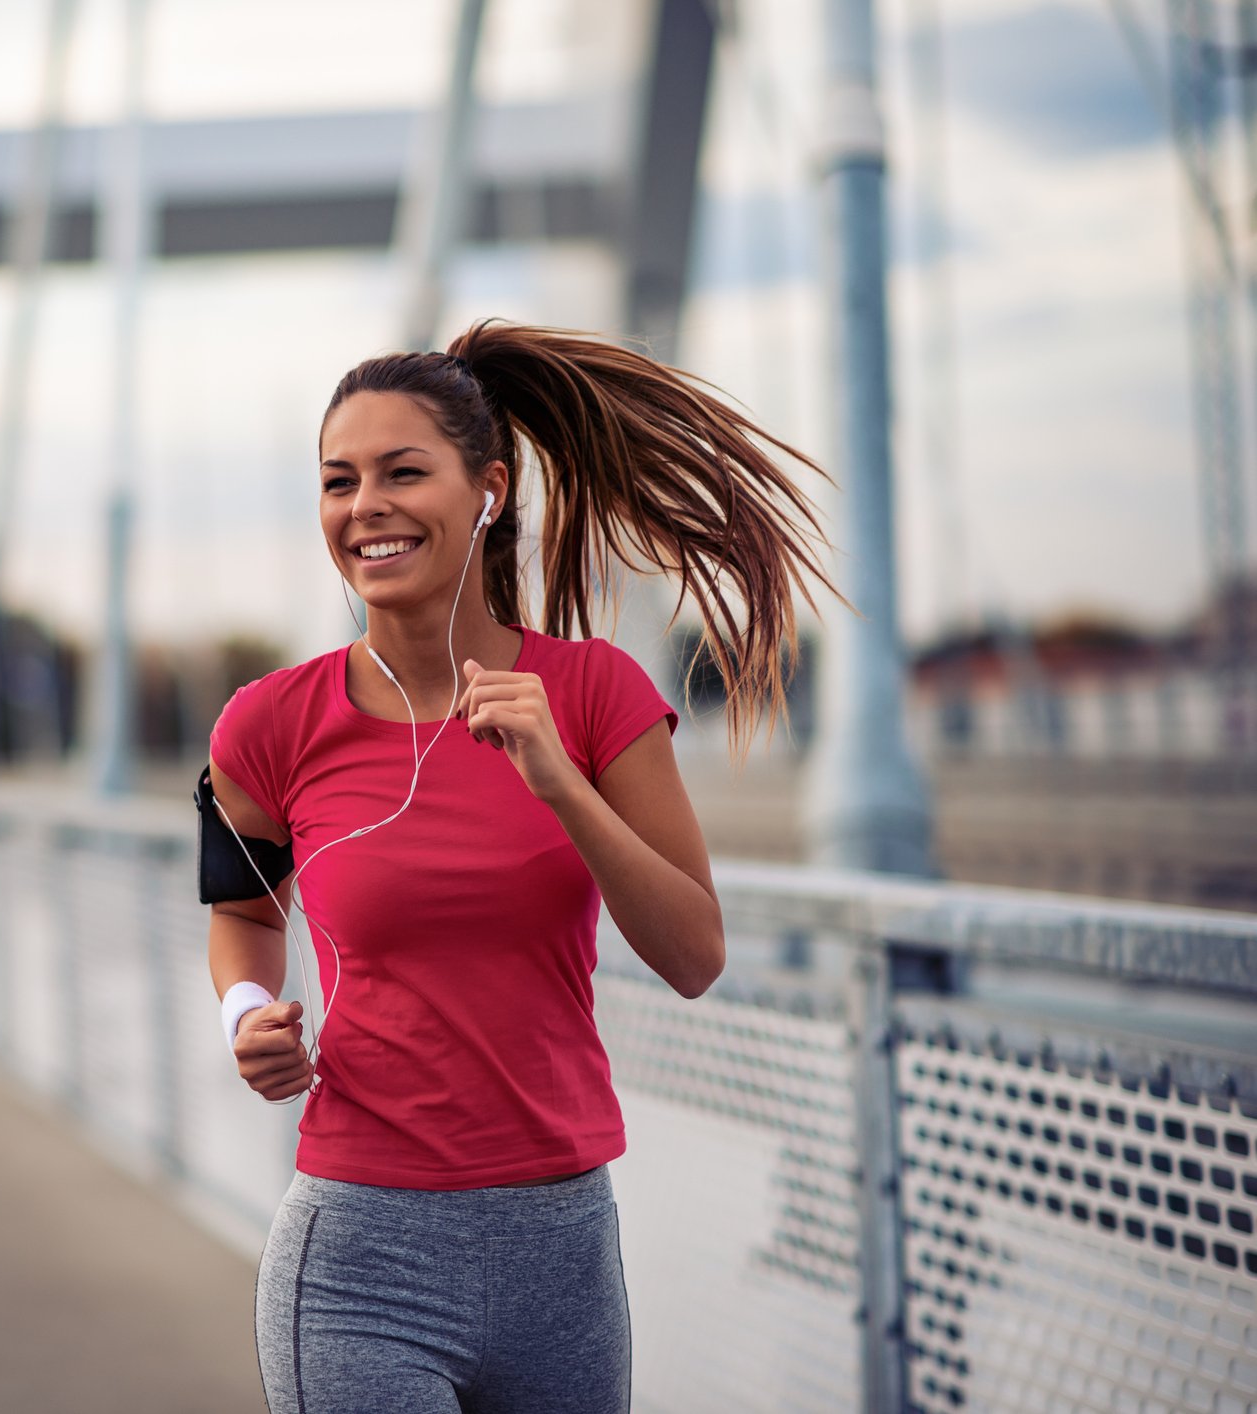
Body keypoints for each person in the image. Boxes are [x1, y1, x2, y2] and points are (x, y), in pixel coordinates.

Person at [200, 320, 842, 1413]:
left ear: (487, 490)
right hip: (359, 1256)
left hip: (561, 1255)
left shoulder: (595, 696)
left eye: (405, 472)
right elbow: (243, 918)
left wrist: (560, 780)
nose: (366, 507)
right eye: (338, 481)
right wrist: (246, 1014)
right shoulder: (263, 725)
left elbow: (693, 954)